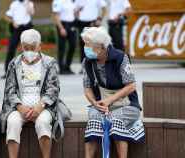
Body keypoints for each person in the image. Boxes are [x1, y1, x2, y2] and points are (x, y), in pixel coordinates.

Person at [0, 29, 65, 158]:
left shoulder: (49, 62)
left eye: (32, 47)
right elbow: (9, 90)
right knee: (12, 123)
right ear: (21, 46)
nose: (29, 51)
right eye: (26, 47)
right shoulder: (14, 63)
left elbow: (53, 89)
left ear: (39, 46)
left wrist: (40, 106)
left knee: (43, 123)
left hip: (43, 106)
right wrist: (20, 107)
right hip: (19, 107)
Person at [81, 27, 144, 158]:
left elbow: (131, 86)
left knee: (115, 122)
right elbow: (87, 88)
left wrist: (110, 100)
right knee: (94, 120)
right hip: (101, 105)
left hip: (127, 105)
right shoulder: (87, 61)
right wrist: (94, 103)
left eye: (88, 45)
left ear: (102, 47)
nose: (85, 48)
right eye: (85, 43)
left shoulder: (120, 57)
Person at [3, 0, 34, 77]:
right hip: (17, 28)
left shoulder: (29, 3)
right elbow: (6, 16)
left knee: (28, 50)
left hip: (27, 27)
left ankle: (29, 72)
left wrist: (27, 4)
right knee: (11, 48)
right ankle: (8, 72)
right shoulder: (14, 4)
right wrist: (13, 22)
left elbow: (31, 13)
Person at [52, 0, 77, 74]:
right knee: (62, 47)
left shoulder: (71, 1)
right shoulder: (57, 1)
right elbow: (56, 15)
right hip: (62, 24)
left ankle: (67, 66)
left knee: (73, 45)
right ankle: (61, 68)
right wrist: (61, 28)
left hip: (72, 24)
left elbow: (73, 13)